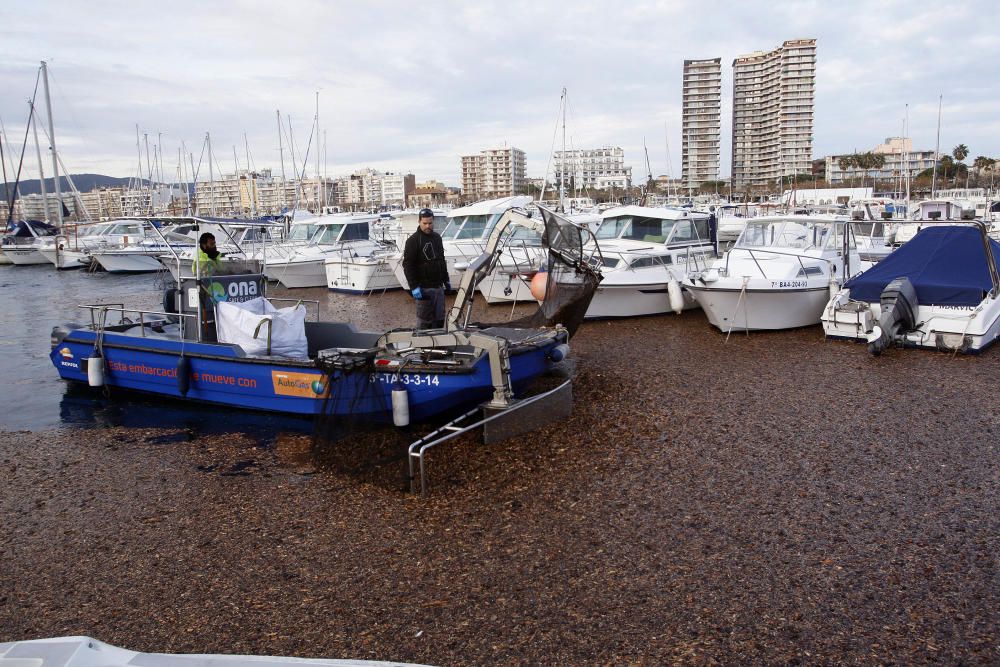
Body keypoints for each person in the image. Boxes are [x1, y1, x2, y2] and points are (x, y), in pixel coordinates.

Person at [402, 208, 450, 329]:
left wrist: (446, 279)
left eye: (430, 223)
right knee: (424, 322)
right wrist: (414, 287)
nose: (428, 226)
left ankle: (439, 347)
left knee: (439, 320)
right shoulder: (412, 241)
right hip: (423, 290)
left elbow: (441, 261)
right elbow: (408, 265)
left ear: (433, 221)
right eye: (425, 223)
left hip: (438, 288)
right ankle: (422, 347)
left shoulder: (437, 238)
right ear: (419, 222)